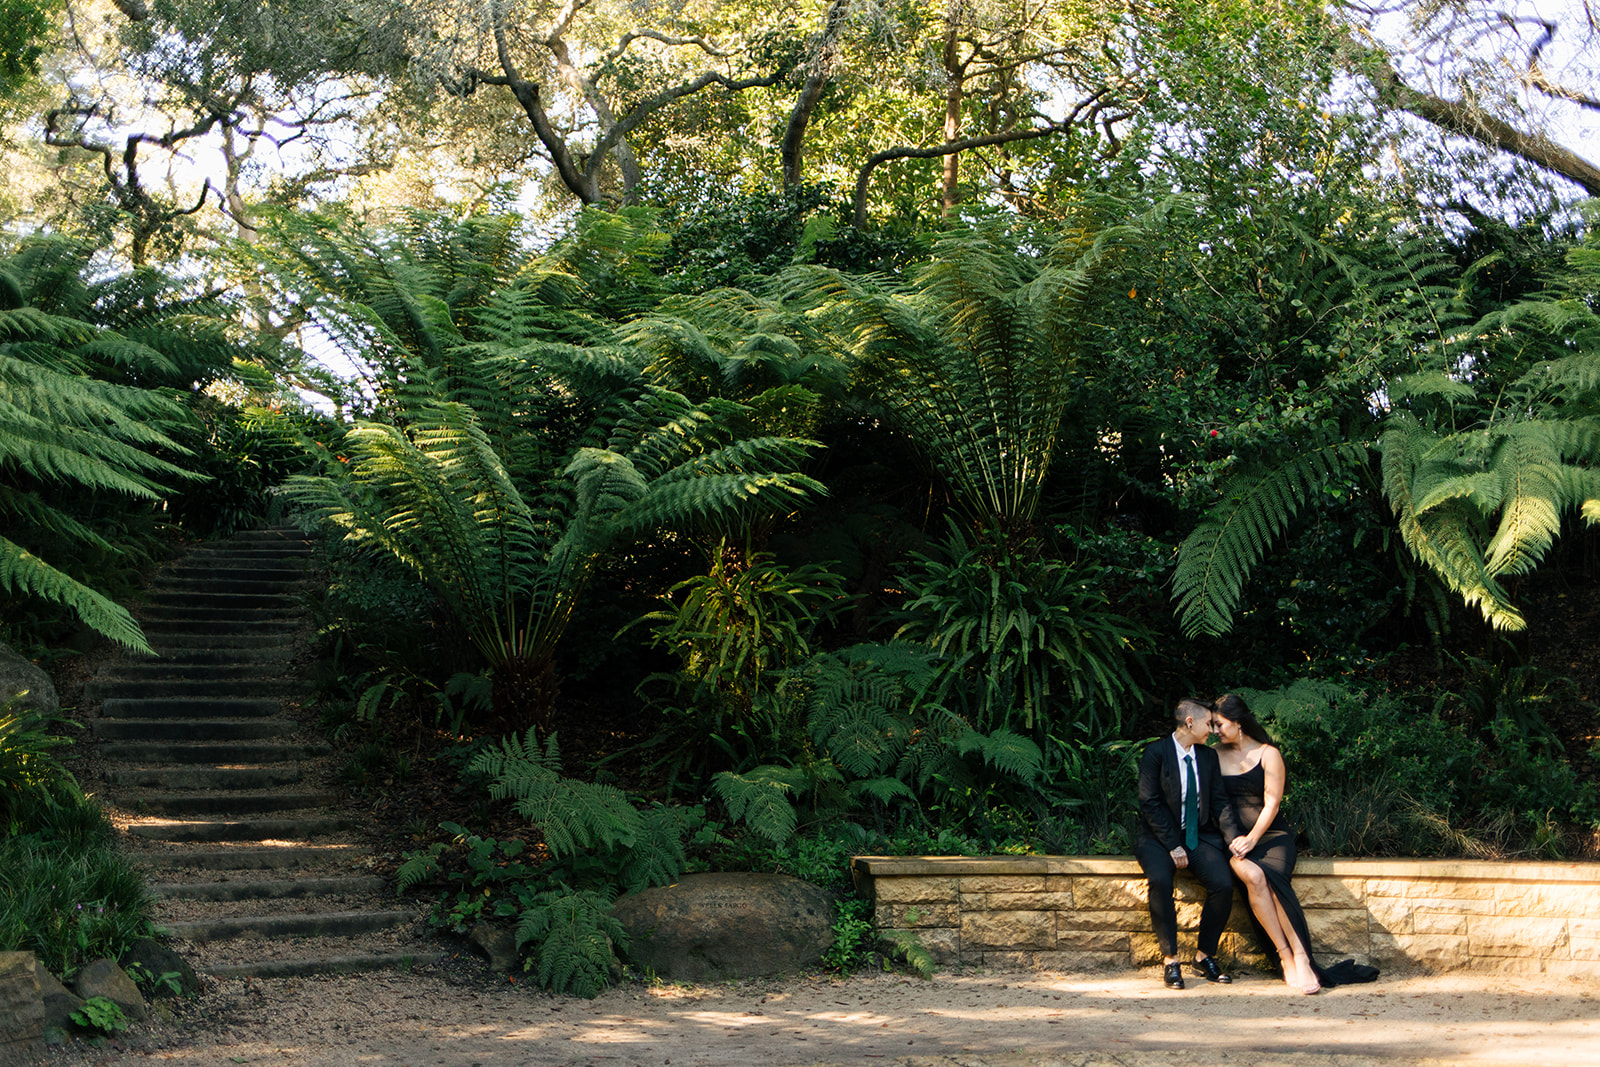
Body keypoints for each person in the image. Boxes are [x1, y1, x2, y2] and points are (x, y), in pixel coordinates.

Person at [1210, 692, 1379, 993]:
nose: (1215, 730)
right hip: (1234, 840)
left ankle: (1301, 958)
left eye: (1220, 724)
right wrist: (1237, 840)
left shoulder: (1268, 753)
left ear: (1238, 723)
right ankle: (1284, 955)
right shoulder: (1213, 755)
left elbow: (1272, 803)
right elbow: (1217, 805)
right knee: (1253, 875)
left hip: (1271, 837)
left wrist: (1252, 839)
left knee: (1272, 881)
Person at [1134, 698, 1243, 990]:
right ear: (1190, 723)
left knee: (1222, 884)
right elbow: (1150, 803)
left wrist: (1234, 840)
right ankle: (1171, 960)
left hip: (1198, 835)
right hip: (1158, 837)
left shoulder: (1207, 757)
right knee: (1159, 879)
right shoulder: (1155, 753)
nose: (1213, 729)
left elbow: (1220, 802)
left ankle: (1204, 955)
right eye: (1209, 723)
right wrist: (1172, 845)